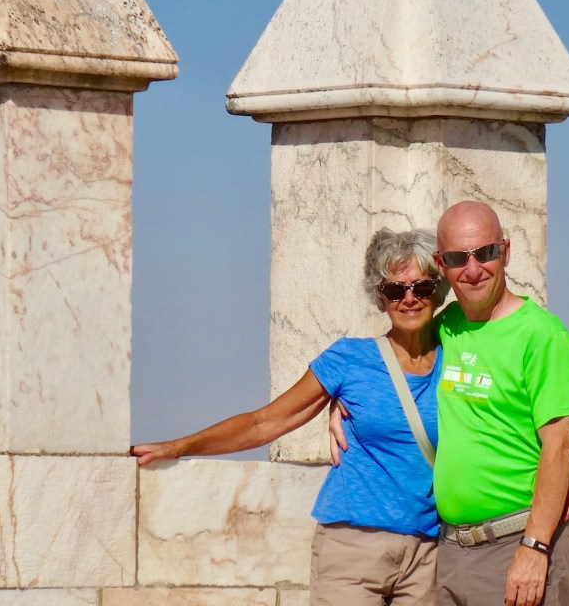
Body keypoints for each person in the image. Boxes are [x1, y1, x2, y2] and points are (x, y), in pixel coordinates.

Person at [130, 228, 449, 606]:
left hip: (430, 553)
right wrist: (180, 446)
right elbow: (265, 423)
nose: (409, 298)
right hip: (353, 547)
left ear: (438, 292)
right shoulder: (349, 360)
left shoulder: (460, 358)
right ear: (380, 300)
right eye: (395, 290)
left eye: (422, 287)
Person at [431, 200, 569, 606]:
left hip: (520, 546)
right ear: (440, 264)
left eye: (485, 253)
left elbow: (560, 444)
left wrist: (535, 548)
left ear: (505, 251)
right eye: (458, 258)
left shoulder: (542, 335)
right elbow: (396, 363)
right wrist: (340, 405)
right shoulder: (446, 327)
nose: (473, 270)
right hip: (451, 551)